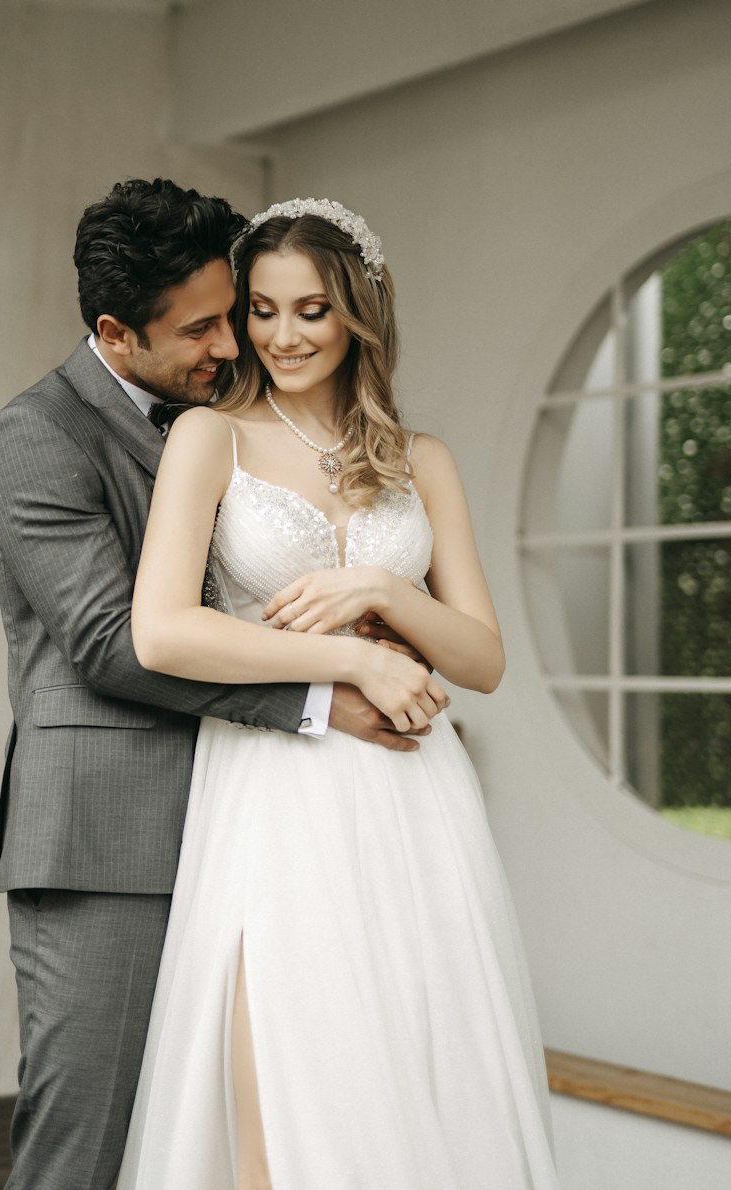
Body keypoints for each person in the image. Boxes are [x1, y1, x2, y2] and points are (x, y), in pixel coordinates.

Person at [0, 180, 441, 1190]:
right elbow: (109, 639)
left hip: (260, 826)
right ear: (115, 330)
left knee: (238, 1136)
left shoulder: (230, 415)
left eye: (231, 314)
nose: (230, 346)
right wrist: (325, 691)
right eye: (202, 328)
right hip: (114, 838)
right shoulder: (36, 438)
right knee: (88, 1142)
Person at [120, 199, 560, 1189]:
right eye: (262, 311)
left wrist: (385, 590)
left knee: (421, 1067)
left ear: (357, 312)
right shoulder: (210, 439)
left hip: (418, 797)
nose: (281, 336)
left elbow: (482, 659)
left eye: (310, 310)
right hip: (278, 790)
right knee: (284, 1068)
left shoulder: (423, 460)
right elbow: (162, 630)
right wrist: (355, 659)